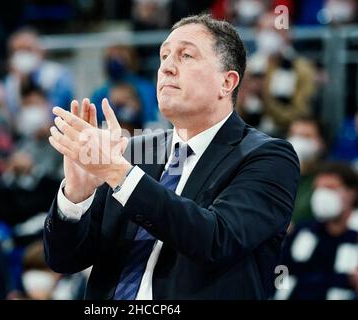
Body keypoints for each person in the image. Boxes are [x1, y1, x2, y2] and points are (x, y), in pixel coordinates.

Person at [44, 14, 300, 300]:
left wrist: (118, 174)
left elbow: (216, 240)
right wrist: (76, 197)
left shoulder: (268, 156)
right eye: (163, 55)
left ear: (227, 83)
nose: (166, 67)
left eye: (186, 55)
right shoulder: (132, 152)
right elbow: (64, 261)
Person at [274, 163, 358, 300]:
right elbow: (281, 268)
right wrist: (279, 291)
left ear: (352, 193)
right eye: (318, 188)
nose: (322, 195)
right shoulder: (303, 231)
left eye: (330, 188)